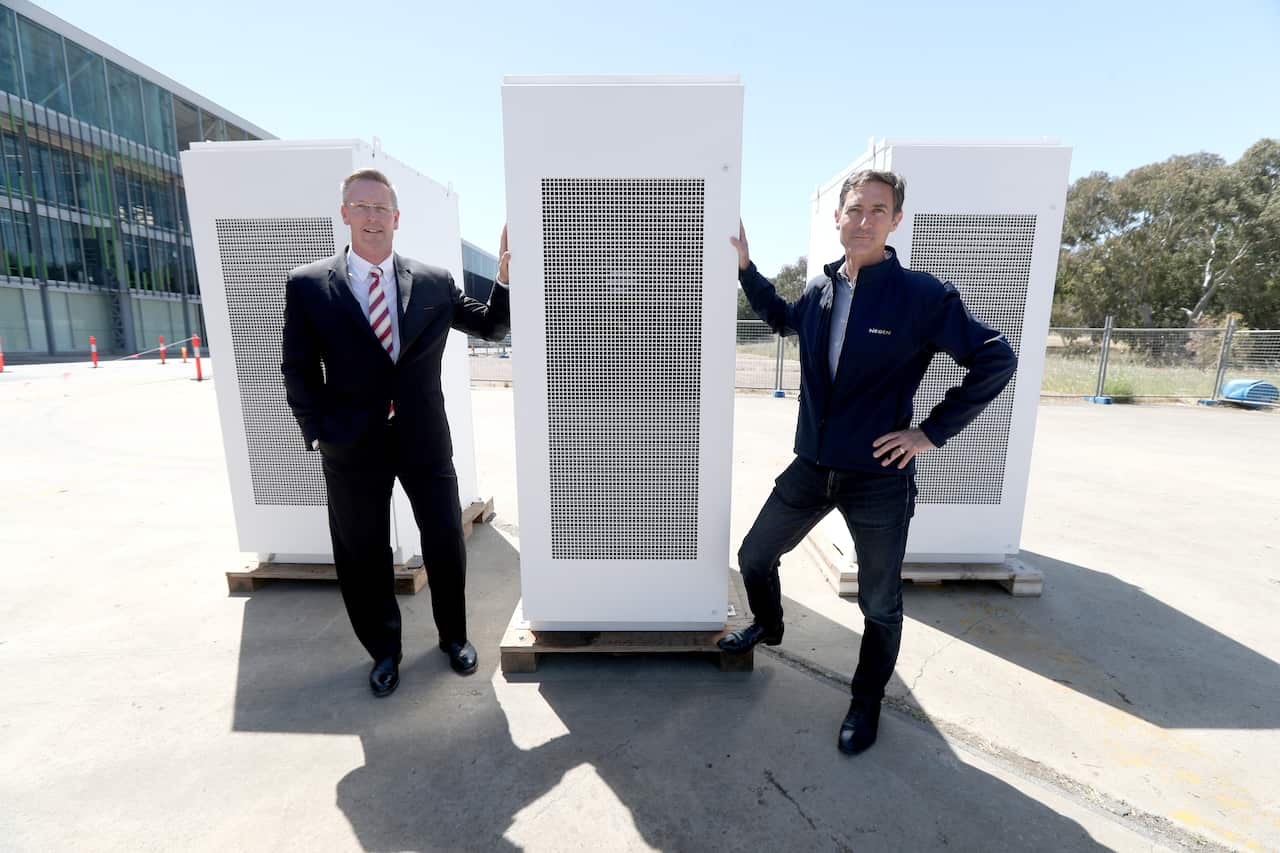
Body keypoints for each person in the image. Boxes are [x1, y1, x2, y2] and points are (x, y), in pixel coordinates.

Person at [719, 169, 1017, 754]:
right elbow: (783, 320)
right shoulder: (821, 291)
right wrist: (747, 272)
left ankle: (866, 698)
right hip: (813, 465)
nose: (863, 221)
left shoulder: (924, 297)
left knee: (880, 602)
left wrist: (929, 432)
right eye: (854, 210)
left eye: (877, 211)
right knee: (755, 555)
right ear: (837, 218)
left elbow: (996, 360)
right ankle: (770, 625)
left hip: (879, 478)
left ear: (895, 221)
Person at [281, 168, 510, 697]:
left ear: (397, 218)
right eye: (361, 206)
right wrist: (316, 431)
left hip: (423, 438)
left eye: (381, 208)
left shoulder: (432, 282)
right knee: (362, 551)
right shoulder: (309, 286)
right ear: (344, 214)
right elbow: (298, 366)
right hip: (351, 443)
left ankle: (454, 638)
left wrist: (504, 281)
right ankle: (384, 651)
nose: (371, 217)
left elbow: (492, 328)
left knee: (446, 539)